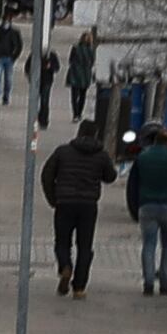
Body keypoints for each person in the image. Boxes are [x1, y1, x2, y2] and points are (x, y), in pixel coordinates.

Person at [39, 120, 114, 300]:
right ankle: (79, 287)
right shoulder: (101, 155)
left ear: (78, 133)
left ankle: (65, 266)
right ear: (96, 135)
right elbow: (110, 177)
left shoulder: (62, 151)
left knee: (62, 241)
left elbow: (46, 175)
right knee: (85, 246)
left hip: (64, 203)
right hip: (88, 205)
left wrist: (53, 198)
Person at [129, 122, 167, 295]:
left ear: (154, 141)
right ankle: (165, 283)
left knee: (149, 244)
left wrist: (135, 207)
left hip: (147, 205)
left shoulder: (143, 157)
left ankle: (148, 283)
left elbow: (133, 184)